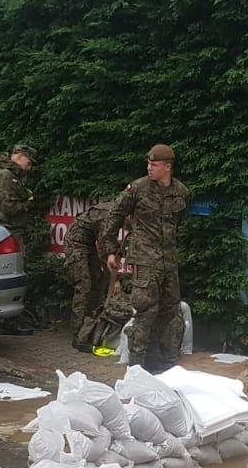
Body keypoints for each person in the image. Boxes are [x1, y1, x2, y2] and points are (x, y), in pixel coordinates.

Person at [102, 144, 189, 373]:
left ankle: (166, 365)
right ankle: (136, 370)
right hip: (145, 261)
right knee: (145, 311)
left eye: (154, 164)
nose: (149, 167)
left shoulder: (181, 192)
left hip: (169, 261)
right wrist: (111, 250)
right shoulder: (138, 189)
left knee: (171, 311)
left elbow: (177, 223)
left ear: (167, 167)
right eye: (148, 163)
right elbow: (115, 214)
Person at [0, 144, 38, 336]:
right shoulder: (7, 176)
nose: (29, 168)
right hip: (8, 231)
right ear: (20, 156)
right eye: (28, 162)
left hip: (1, 230)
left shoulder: (4, 174)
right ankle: (12, 320)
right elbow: (10, 208)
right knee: (14, 272)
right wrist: (28, 203)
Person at [64, 201, 114, 353]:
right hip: (76, 244)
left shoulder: (117, 213)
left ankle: (90, 327)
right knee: (84, 286)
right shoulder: (109, 215)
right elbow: (106, 244)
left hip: (89, 244)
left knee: (97, 283)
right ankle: (78, 334)